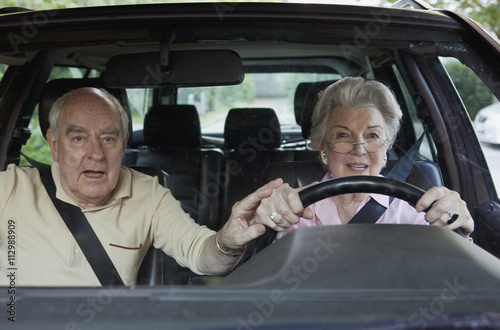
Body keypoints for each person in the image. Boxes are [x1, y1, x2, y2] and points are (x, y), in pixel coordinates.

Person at [0, 87, 278, 286]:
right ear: (54, 145)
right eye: (78, 139)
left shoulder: (149, 193)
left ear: (123, 146)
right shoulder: (11, 187)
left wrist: (226, 242)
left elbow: (201, 254)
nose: (95, 154)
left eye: (108, 139)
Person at [254, 77, 474, 238]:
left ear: (386, 145)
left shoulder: (417, 210)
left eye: (372, 135)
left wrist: (459, 231)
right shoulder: (289, 209)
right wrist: (262, 223)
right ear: (323, 145)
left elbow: (450, 273)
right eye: (342, 135)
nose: (359, 149)